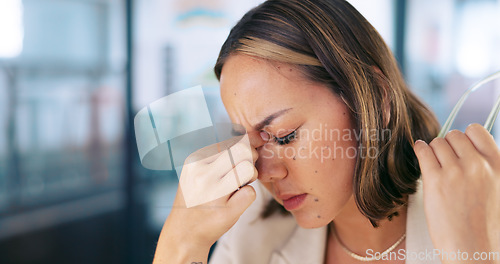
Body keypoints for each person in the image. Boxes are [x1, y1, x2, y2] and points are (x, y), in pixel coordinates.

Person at [153, 0, 500, 263]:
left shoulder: (483, 217)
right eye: (250, 144)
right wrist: (180, 243)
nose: (265, 174)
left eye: (285, 135)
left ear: (375, 99)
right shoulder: (254, 233)